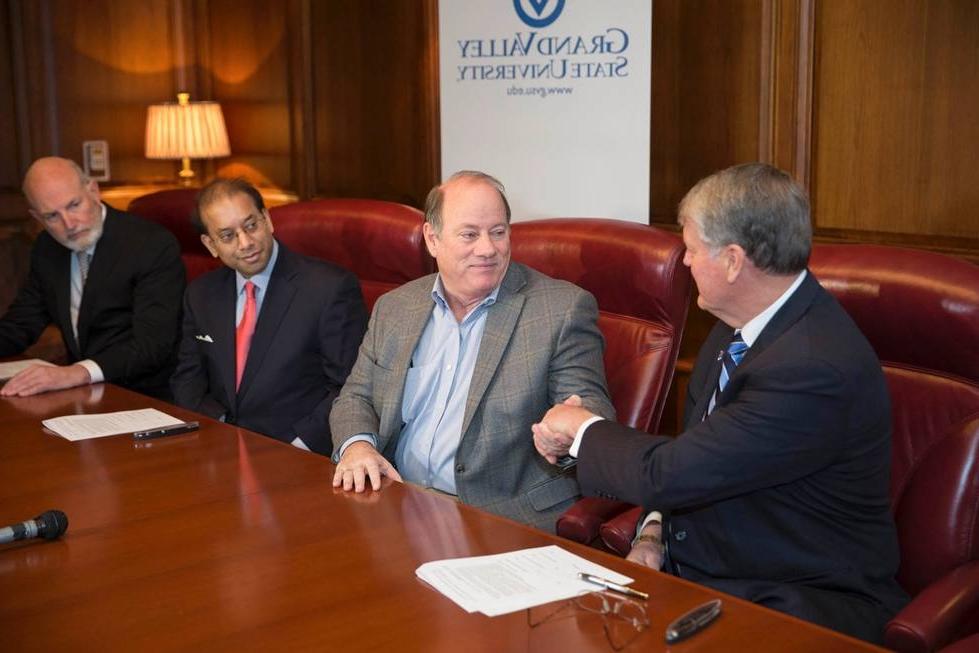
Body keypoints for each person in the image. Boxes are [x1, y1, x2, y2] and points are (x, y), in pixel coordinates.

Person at [532, 163, 908, 642]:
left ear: (733, 260)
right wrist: (652, 533)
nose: (684, 264)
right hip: (711, 574)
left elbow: (671, 473)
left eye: (690, 249)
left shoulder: (811, 367)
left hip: (795, 600)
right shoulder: (737, 328)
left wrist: (579, 427)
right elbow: (702, 457)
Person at [330, 170, 614, 530]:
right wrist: (357, 447)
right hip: (395, 500)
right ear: (432, 239)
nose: (488, 248)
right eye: (469, 234)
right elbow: (355, 396)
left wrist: (574, 427)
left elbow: (592, 412)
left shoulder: (560, 309)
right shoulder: (395, 308)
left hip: (501, 516)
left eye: (498, 232)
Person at [170, 178, 367, 456]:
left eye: (251, 225)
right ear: (210, 244)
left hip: (300, 453)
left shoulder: (329, 288)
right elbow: (188, 379)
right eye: (227, 236)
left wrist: (299, 447)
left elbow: (350, 385)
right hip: (223, 450)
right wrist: (219, 428)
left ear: (268, 219)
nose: (246, 243)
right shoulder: (201, 294)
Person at [0, 157, 184, 398]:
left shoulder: (151, 244)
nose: (69, 224)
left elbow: (152, 344)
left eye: (74, 205)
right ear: (37, 218)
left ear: (93, 191)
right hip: (85, 395)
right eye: (52, 217)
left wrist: (76, 373)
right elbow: (22, 322)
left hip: (149, 394)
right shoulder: (47, 247)